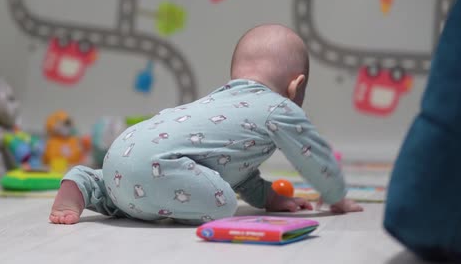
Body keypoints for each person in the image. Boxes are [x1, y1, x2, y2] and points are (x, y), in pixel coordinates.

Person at [50, 24, 363, 225]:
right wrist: (335, 194)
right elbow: (312, 153)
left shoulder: (220, 105)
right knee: (223, 202)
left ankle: (87, 183)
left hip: (121, 153)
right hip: (160, 167)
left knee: (137, 181)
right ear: (296, 86)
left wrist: (269, 197)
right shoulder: (279, 107)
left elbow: (232, 167)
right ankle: (142, 196)